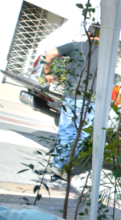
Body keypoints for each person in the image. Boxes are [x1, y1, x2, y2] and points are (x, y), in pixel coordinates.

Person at [42, 23, 100, 175]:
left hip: (72, 95)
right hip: (92, 99)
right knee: (83, 134)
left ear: (88, 33)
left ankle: (59, 165)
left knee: (67, 131)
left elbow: (49, 53)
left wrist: (48, 73)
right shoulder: (107, 53)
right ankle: (65, 165)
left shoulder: (76, 46)